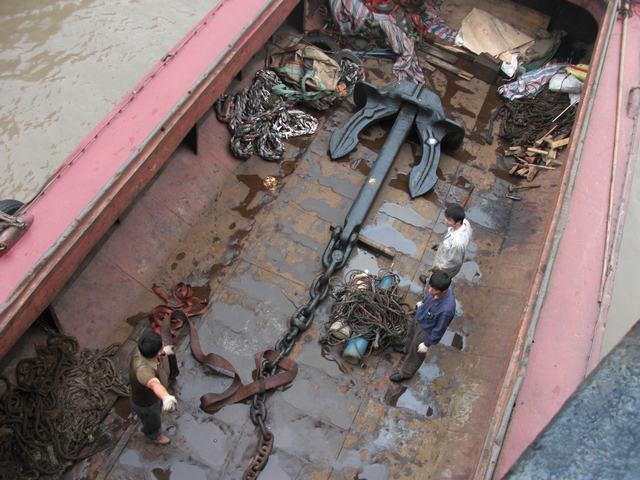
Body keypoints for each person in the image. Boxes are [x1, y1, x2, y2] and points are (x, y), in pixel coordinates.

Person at [390, 271, 456, 382]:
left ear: (444, 291)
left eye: (434, 290)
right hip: (420, 316)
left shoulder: (446, 310)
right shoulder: (437, 287)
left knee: (417, 352)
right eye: (430, 287)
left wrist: (427, 343)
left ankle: (405, 373)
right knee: (410, 335)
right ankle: (405, 349)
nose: (430, 291)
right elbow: (429, 295)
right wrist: (423, 303)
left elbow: (439, 330)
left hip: (426, 330)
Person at [129, 330, 178, 445]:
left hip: (153, 397)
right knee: (152, 421)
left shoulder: (142, 349)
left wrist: (163, 352)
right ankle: (155, 436)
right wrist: (165, 397)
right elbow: (154, 384)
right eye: (161, 348)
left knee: (156, 412)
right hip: (147, 404)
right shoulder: (143, 371)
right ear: (155, 353)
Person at [419, 204, 472, 283]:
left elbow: (453, 262)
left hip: (445, 267)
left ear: (457, 222)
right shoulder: (464, 222)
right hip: (446, 253)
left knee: (438, 279)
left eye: (449, 220)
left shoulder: (457, 244)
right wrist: (441, 247)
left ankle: (430, 282)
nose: (445, 221)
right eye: (446, 217)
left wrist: (439, 268)